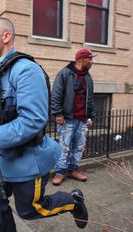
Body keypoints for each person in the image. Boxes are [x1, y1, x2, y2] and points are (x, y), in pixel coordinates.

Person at [0, 18, 88, 231]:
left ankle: (74, 201)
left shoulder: (26, 70)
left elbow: (33, 119)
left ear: (6, 37)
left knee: (30, 210)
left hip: (26, 161)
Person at [51, 48, 96, 185]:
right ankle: (60, 172)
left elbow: (90, 99)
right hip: (67, 118)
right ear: (82, 59)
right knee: (64, 147)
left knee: (79, 146)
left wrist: (91, 116)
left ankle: (73, 169)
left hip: (82, 119)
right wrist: (58, 113)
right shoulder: (65, 73)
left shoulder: (88, 77)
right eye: (90, 59)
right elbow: (56, 95)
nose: (92, 62)